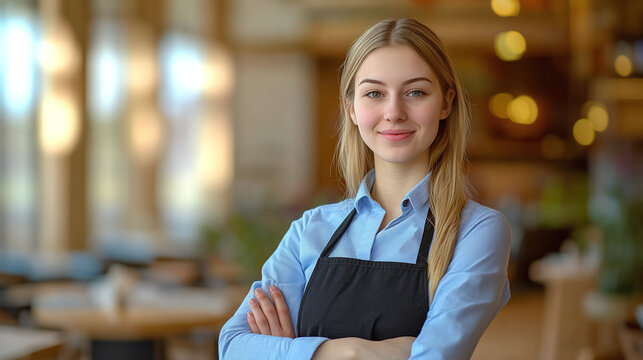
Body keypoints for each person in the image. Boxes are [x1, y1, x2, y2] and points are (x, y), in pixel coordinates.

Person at [218, 18, 511, 360]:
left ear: (446, 103)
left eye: (415, 92)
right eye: (374, 93)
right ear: (352, 109)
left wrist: (291, 351)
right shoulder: (310, 230)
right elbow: (233, 345)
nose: (394, 112)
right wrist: (349, 351)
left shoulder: (476, 231)